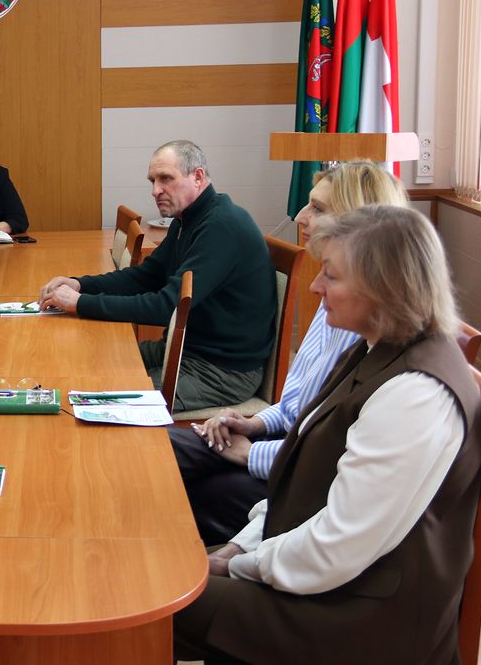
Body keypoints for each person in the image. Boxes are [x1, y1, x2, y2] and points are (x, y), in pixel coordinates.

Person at [174, 205, 481, 665]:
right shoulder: (375, 348)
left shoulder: (417, 393)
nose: (316, 286)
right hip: (323, 582)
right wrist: (240, 547)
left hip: (362, 620)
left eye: (331, 276)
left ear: (384, 287)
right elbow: (302, 479)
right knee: (161, 576)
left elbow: (340, 546)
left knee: (150, 606)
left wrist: (238, 564)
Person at [170, 161, 408, 545]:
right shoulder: (336, 300)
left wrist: (251, 454)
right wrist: (254, 425)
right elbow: (296, 406)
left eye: (317, 207)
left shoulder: (373, 329)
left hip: (304, 477)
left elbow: (332, 452)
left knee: (174, 487)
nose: (300, 217)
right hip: (284, 446)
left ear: (358, 224)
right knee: (157, 452)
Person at [39, 140, 275, 410]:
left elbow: (167, 307)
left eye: (166, 179)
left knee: (100, 397)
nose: (155, 190)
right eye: (153, 181)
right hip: (184, 350)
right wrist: (80, 285)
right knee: (84, 363)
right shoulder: (187, 219)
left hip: (221, 370)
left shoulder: (221, 226)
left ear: (198, 177)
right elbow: (144, 276)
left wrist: (81, 303)